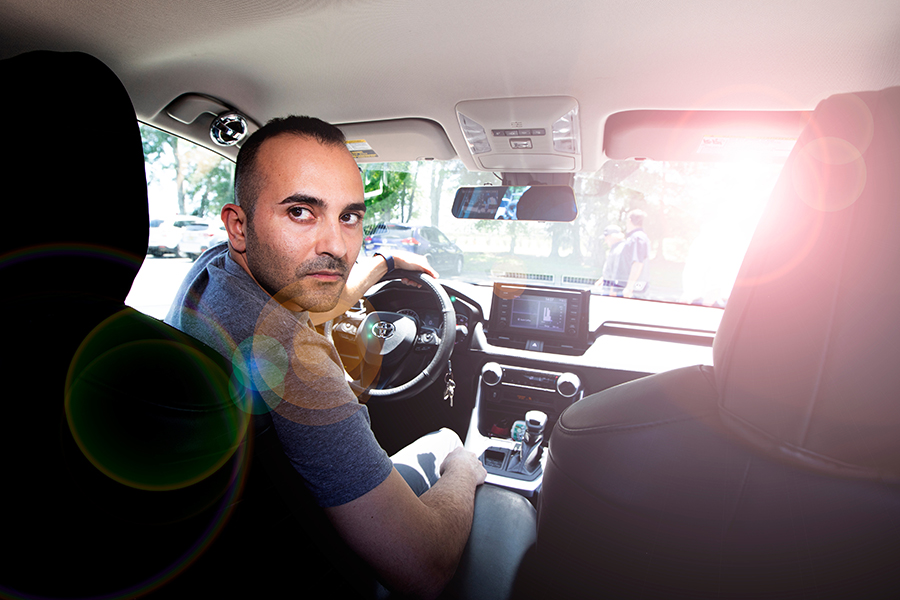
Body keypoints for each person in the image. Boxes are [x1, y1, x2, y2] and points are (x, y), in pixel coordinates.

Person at [165, 115, 486, 599]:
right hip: (327, 570)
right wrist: (466, 466)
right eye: (300, 212)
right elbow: (424, 566)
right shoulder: (299, 367)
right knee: (445, 439)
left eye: (349, 216)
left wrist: (385, 263)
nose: (336, 246)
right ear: (239, 224)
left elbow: (308, 305)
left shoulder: (215, 276)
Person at [620, 208, 650, 298]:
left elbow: (637, 263)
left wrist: (629, 287)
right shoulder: (639, 237)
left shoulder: (637, 238)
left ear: (629, 220)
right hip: (635, 289)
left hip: (634, 292)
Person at [594, 224, 626, 295]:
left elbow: (617, 271)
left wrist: (613, 289)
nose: (605, 241)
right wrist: (602, 279)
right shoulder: (615, 248)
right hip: (608, 287)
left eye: (606, 238)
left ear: (613, 236)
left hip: (613, 291)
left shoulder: (620, 249)